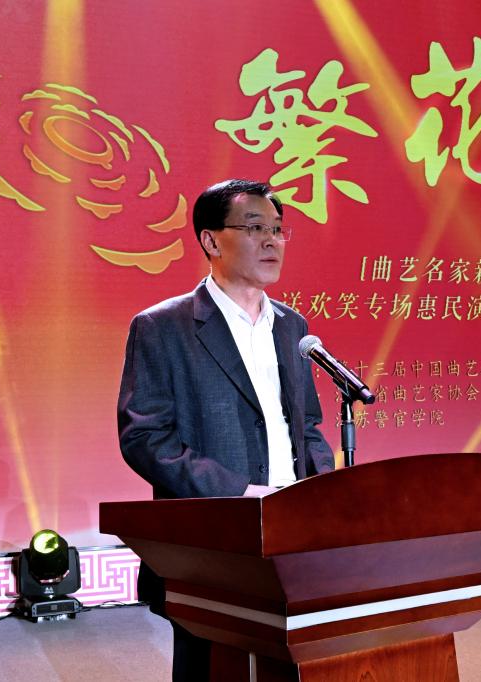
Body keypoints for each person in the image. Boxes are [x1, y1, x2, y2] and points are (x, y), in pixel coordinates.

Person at [117, 179, 335, 680]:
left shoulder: (293, 327)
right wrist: (240, 491)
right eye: (255, 228)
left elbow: (307, 425)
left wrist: (320, 492)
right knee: (211, 667)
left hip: (292, 532)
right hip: (212, 544)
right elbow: (145, 438)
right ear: (211, 241)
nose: (272, 241)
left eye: (278, 230)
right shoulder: (162, 327)